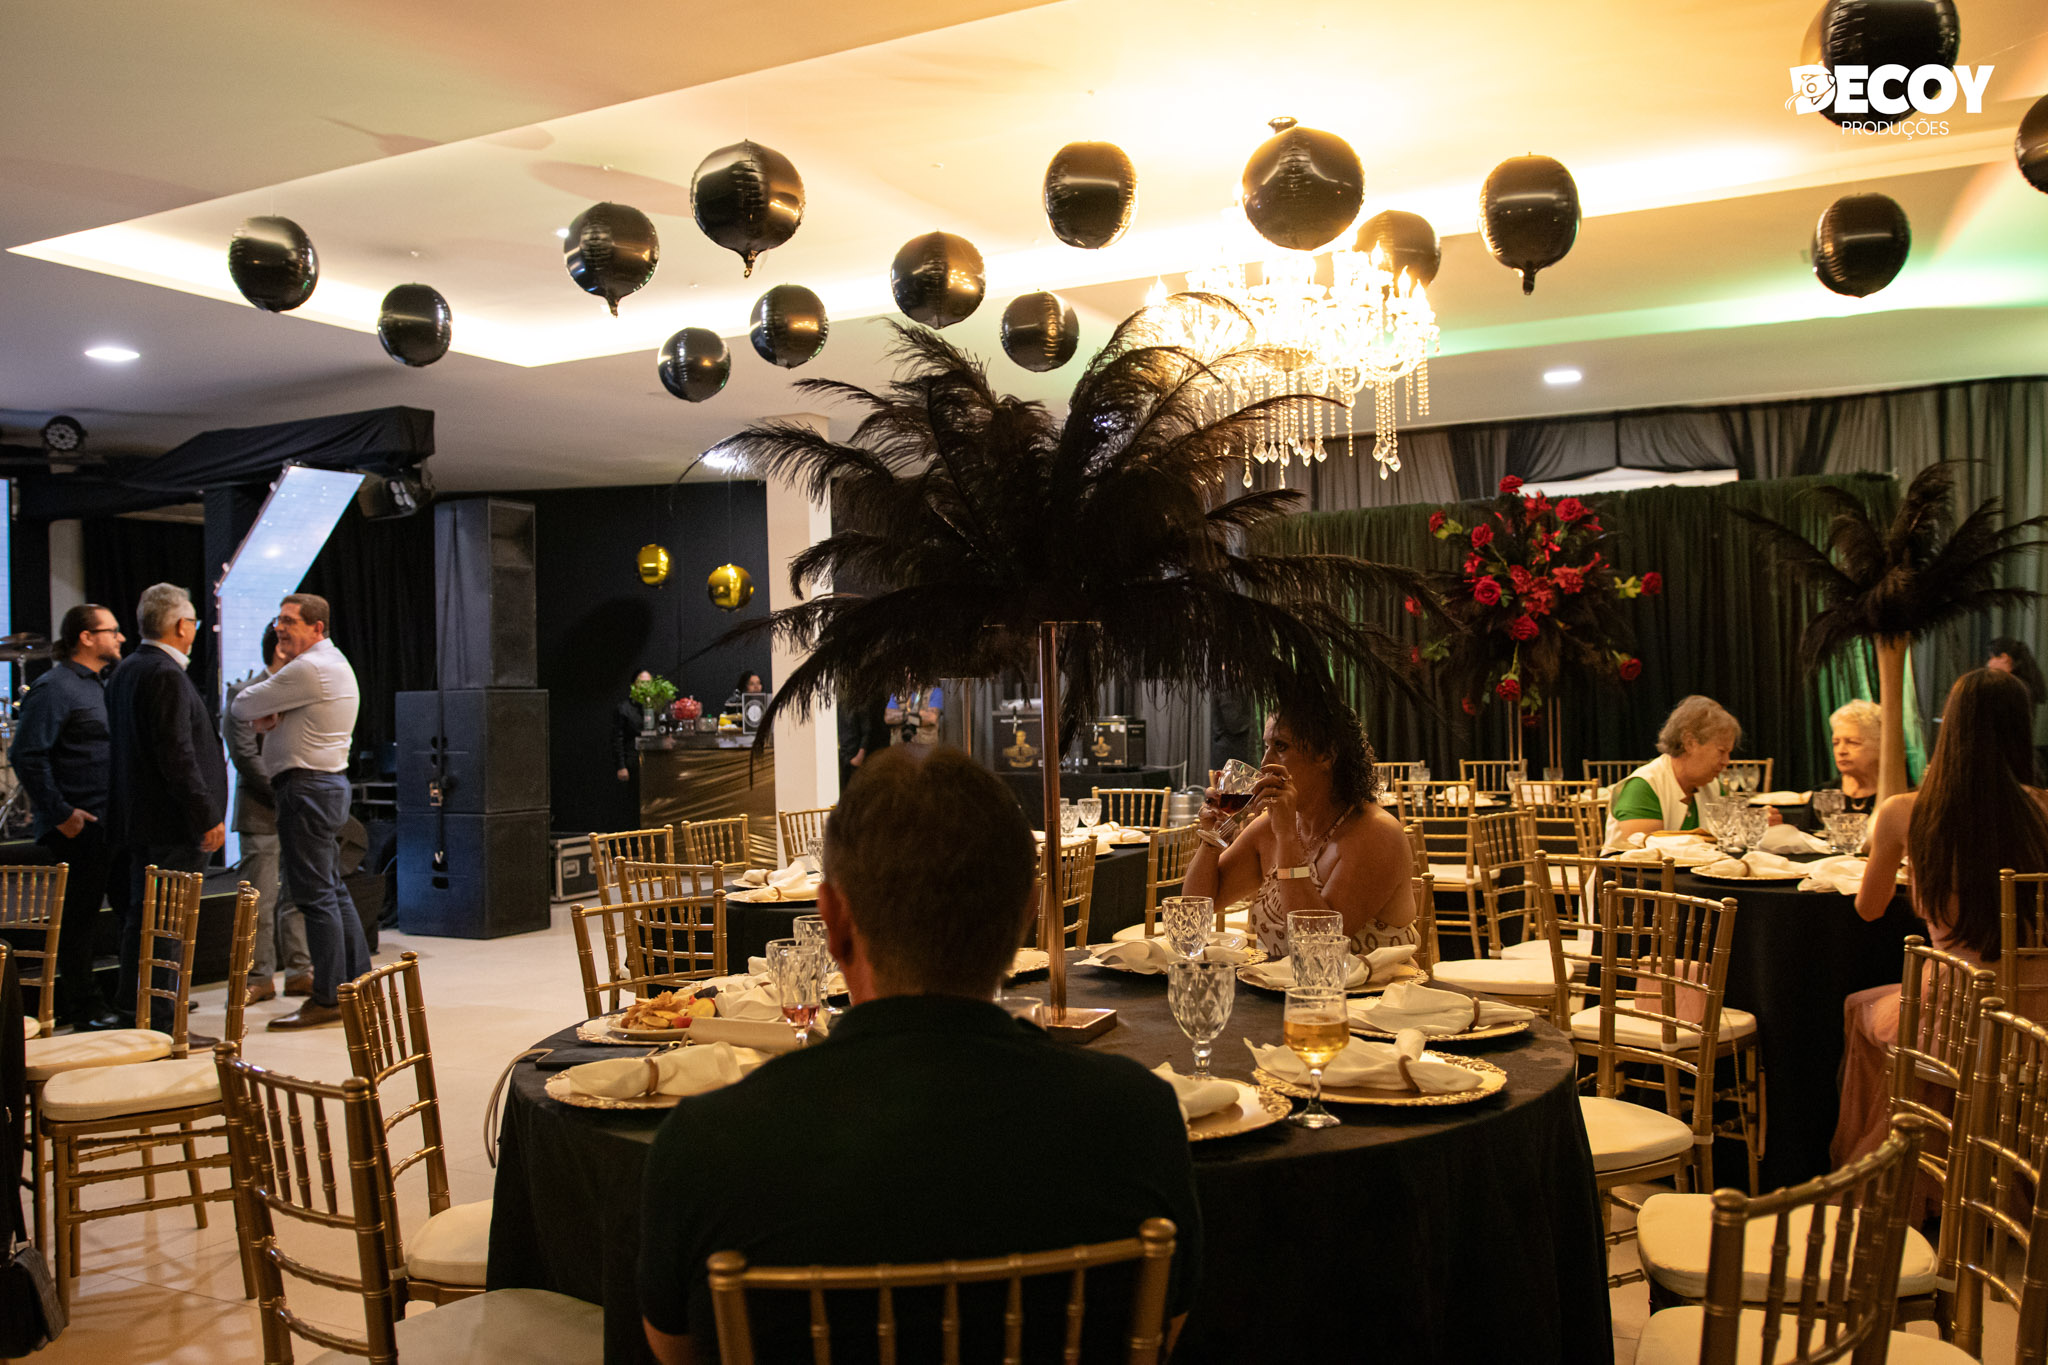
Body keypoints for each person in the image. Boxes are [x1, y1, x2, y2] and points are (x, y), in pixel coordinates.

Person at [637, 746, 1201, 1363]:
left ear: (831, 922)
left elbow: (674, 1352)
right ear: (1028, 916)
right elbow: (1164, 1333)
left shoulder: (705, 1145)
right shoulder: (1138, 1119)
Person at [1831, 668, 2048, 1166]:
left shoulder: (1906, 811)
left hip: (1959, 1009)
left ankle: (1905, 1164)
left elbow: (1868, 909)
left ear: (1949, 729)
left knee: (1860, 1008)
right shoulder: (2043, 808)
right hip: (2037, 1018)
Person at [1182, 692, 1418, 958]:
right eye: (1266, 746)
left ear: (1326, 755)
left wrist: (1286, 838)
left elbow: (1317, 947)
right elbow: (1194, 911)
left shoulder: (1377, 834)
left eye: (1281, 746)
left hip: (1371, 985)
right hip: (1276, 983)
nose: (1265, 763)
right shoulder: (1268, 828)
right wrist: (1212, 838)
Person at [229, 593, 364, 1031]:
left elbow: (241, 705)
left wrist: (269, 713)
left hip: (306, 789)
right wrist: (273, 714)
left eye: (290, 621)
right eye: (279, 620)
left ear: (316, 628)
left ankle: (328, 997)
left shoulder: (308, 668)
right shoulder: (328, 663)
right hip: (321, 787)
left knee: (316, 896)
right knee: (332, 890)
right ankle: (355, 986)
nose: (280, 628)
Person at [104, 583, 227, 1034]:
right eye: (193, 621)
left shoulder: (127, 669)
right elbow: (176, 754)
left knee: (144, 918)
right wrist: (205, 814)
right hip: (174, 823)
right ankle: (161, 1022)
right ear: (180, 626)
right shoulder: (164, 673)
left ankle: (133, 1007)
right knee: (168, 924)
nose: (194, 628)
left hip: (143, 819)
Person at [12, 603, 126, 1030]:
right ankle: (84, 1009)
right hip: (79, 827)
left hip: (113, 824)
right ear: (86, 637)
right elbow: (26, 754)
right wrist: (61, 814)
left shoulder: (102, 684)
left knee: (129, 912)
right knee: (79, 922)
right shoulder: (54, 687)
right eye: (112, 630)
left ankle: (131, 998)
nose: (120, 637)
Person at [225, 624, 313, 1003]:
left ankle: (300, 972)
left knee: (298, 897)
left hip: (299, 811)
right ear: (280, 649)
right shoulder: (244, 693)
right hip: (262, 810)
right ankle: (258, 977)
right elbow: (245, 756)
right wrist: (288, 790)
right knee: (258, 902)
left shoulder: (303, 692)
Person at [1601, 695, 1740, 849]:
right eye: (1721, 751)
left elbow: (1731, 840)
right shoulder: (1643, 787)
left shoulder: (1714, 786)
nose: (1726, 761)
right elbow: (1644, 855)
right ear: (1689, 742)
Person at [1987, 635, 2047, 782]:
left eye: (1992, 658)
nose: (1988, 663)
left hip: (2007, 758)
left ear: (2005, 658)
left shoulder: (2013, 687)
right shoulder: (2024, 684)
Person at [1818, 698, 1881, 815]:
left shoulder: (1899, 795)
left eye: (1852, 742)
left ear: (1881, 745)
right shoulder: (1824, 794)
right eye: (1836, 743)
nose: (1841, 751)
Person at [614, 669, 653, 785]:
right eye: (642, 683)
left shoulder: (656, 706)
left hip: (654, 762)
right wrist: (621, 766)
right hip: (633, 762)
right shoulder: (623, 708)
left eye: (649, 683)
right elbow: (617, 739)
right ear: (633, 685)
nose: (645, 686)